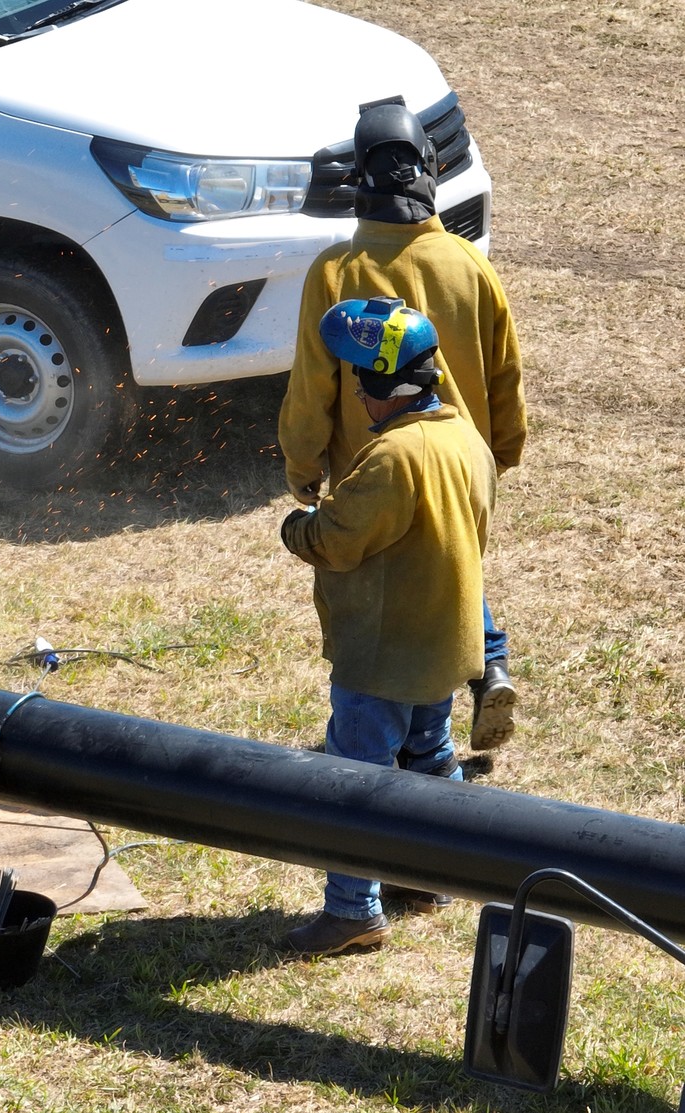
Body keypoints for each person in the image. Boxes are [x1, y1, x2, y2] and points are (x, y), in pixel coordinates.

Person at [279, 99, 526, 753]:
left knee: (393, 609)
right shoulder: (468, 264)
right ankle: (477, 675)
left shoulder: (337, 273)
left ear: (357, 180)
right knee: (450, 570)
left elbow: (310, 388)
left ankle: (379, 753)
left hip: (377, 479)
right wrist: (500, 451)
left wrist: (301, 466)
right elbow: (505, 373)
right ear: (431, 170)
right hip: (462, 463)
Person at [280, 296, 496, 957]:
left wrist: (297, 528)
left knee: (356, 776)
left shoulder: (390, 459)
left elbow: (336, 540)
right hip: (443, 642)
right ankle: (428, 880)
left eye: (356, 381)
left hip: (384, 653)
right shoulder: (465, 438)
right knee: (430, 760)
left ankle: (352, 912)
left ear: (378, 387)